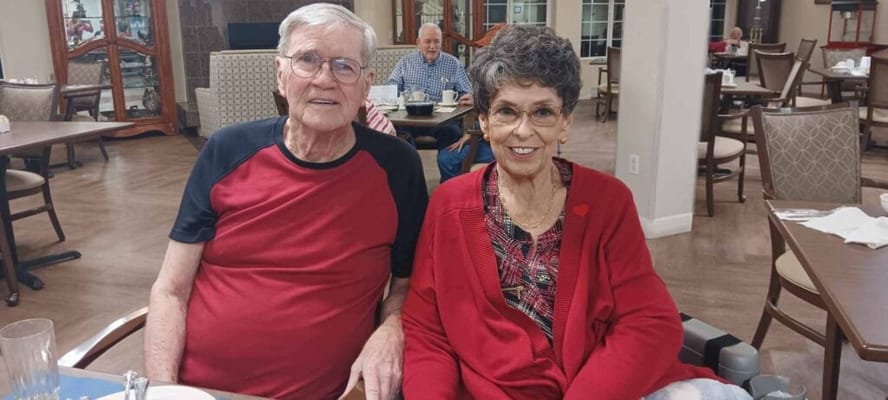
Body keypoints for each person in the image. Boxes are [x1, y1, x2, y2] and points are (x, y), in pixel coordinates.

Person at [401, 25, 752, 399]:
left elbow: (649, 321)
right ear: (484, 122)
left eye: (542, 112)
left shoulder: (608, 202)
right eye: (506, 111)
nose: (523, 130)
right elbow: (427, 331)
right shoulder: (448, 207)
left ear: (565, 122)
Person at [144, 4, 428, 400]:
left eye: (344, 66)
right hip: (197, 391)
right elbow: (171, 289)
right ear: (280, 74)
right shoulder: (227, 150)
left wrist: (392, 326)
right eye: (307, 60)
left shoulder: (397, 167)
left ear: (367, 86)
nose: (325, 80)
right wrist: (162, 390)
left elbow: (405, 283)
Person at [387, 23, 491, 181]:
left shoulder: (453, 63)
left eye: (436, 41)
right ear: (418, 42)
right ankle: (413, 181)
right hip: (409, 120)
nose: (432, 46)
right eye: (428, 41)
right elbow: (391, 88)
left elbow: (467, 91)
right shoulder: (405, 62)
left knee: (452, 138)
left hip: (443, 121)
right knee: (401, 142)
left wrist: (468, 95)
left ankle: (448, 185)